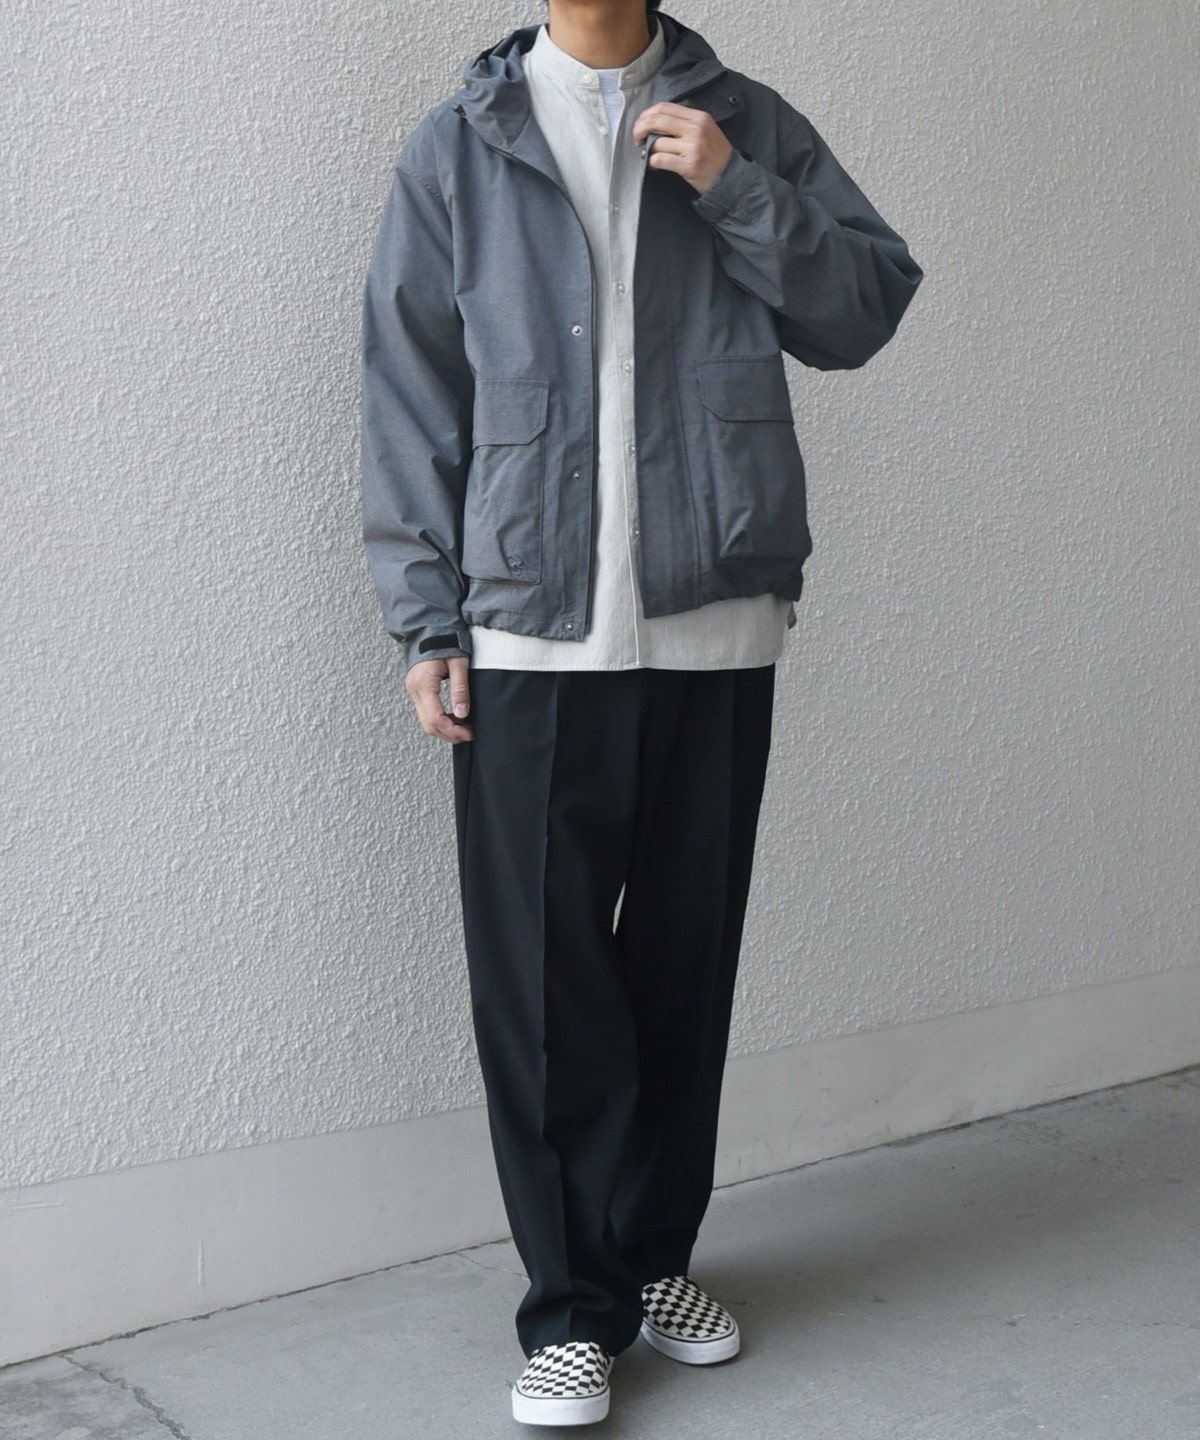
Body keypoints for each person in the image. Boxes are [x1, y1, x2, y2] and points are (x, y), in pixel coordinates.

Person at [359, 0, 922, 1425]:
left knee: (684, 966)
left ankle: (656, 1259)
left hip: (712, 616)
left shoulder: (751, 124)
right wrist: (427, 619)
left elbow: (862, 311)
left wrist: (736, 188)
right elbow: (411, 390)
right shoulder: (459, 147)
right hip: (529, 631)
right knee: (545, 991)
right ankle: (572, 1306)